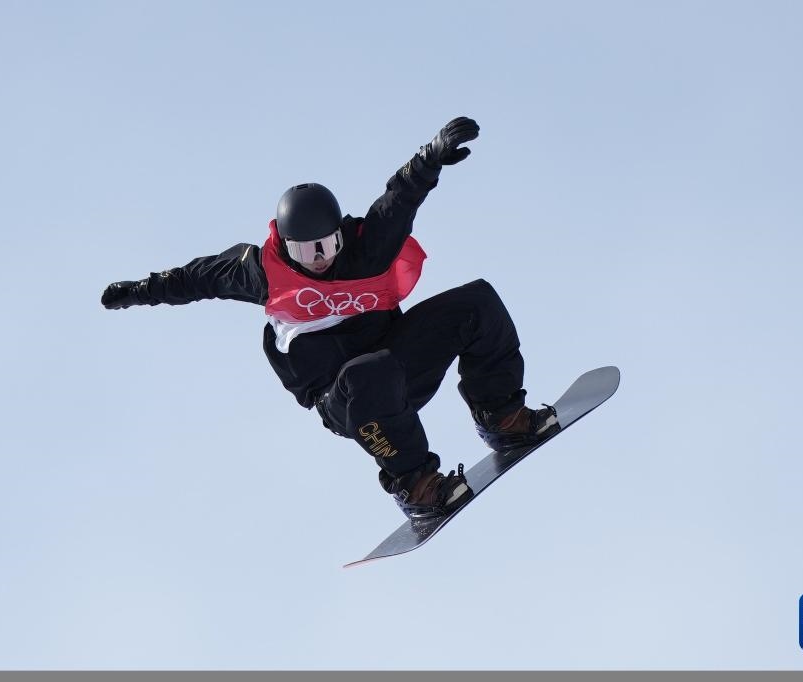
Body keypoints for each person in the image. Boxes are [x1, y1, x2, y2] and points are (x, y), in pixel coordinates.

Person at [101, 117, 558, 518]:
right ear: (284, 245)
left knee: (477, 303)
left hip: (400, 363)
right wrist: (137, 291)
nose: (320, 258)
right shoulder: (259, 272)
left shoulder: (364, 248)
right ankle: (415, 483)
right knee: (369, 373)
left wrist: (429, 159)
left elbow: (397, 203)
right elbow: (193, 279)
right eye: (306, 251)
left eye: (327, 245)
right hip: (346, 399)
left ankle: (501, 415)